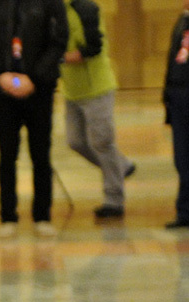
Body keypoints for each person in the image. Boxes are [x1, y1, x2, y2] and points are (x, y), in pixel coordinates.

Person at [0, 0, 68, 238]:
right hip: (5, 89)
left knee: (40, 154)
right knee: (7, 155)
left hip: (38, 90)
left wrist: (35, 78)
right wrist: (0, 73)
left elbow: (58, 42)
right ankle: (8, 216)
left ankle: (42, 215)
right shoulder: (2, 3)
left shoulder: (52, 4)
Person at [61, 0, 135, 219]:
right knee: (75, 141)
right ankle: (121, 166)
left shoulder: (86, 8)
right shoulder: (52, 9)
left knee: (102, 143)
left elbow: (93, 48)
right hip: (72, 91)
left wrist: (58, 57)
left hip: (96, 89)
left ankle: (114, 200)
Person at [164, 0, 189, 229]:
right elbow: (175, 60)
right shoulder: (183, 20)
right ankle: (184, 211)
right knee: (182, 158)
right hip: (179, 94)